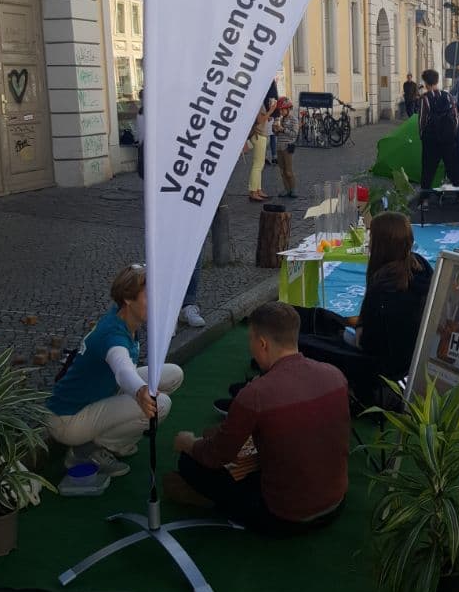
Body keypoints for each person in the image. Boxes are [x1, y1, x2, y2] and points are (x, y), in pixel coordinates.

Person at [165, 302, 350, 533]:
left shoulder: (255, 394)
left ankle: (213, 501)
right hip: (337, 503)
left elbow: (215, 456)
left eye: (250, 339)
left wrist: (188, 443)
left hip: (283, 516)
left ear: (262, 343)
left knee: (189, 462)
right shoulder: (335, 375)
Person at [46, 265, 183, 476]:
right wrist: (139, 391)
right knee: (160, 404)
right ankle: (88, 450)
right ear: (128, 299)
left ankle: (111, 438)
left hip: (97, 396)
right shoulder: (113, 335)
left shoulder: (122, 316)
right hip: (68, 420)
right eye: (150, 295)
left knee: (173, 374)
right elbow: (122, 369)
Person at [297, 212, 432, 402]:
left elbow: (366, 342)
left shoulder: (384, 284)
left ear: (381, 245)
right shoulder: (422, 265)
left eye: (371, 237)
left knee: (306, 341)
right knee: (328, 320)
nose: (368, 243)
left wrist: (353, 328)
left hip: (378, 366)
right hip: (406, 359)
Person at [418, 68, 459, 190]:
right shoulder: (448, 96)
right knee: (453, 168)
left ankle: (425, 200)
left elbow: (422, 120)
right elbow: (456, 118)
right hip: (448, 139)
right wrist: (452, 134)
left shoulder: (424, 98)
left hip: (431, 140)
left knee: (428, 170)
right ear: (437, 81)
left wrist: (423, 136)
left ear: (426, 83)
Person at [247, 95, 276, 202]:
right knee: (258, 165)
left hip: (259, 135)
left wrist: (267, 116)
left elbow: (260, 119)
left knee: (259, 165)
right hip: (259, 135)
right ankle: (253, 191)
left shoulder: (258, 103)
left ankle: (257, 190)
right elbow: (259, 120)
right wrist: (271, 111)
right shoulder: (258, 103)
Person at [274, 96, 298, 198]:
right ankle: (286, 189)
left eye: (282, 110)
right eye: (280, 110)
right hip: (279, 147)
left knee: (288, 171)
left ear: (288, 109)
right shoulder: (280, 119)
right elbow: (277, 135)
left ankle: (293, 189)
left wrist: (283, 129)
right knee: (282, 171)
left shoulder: (293, 119)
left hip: (287, 148)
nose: (281, 112)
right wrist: (275, 129)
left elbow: (294, 134)